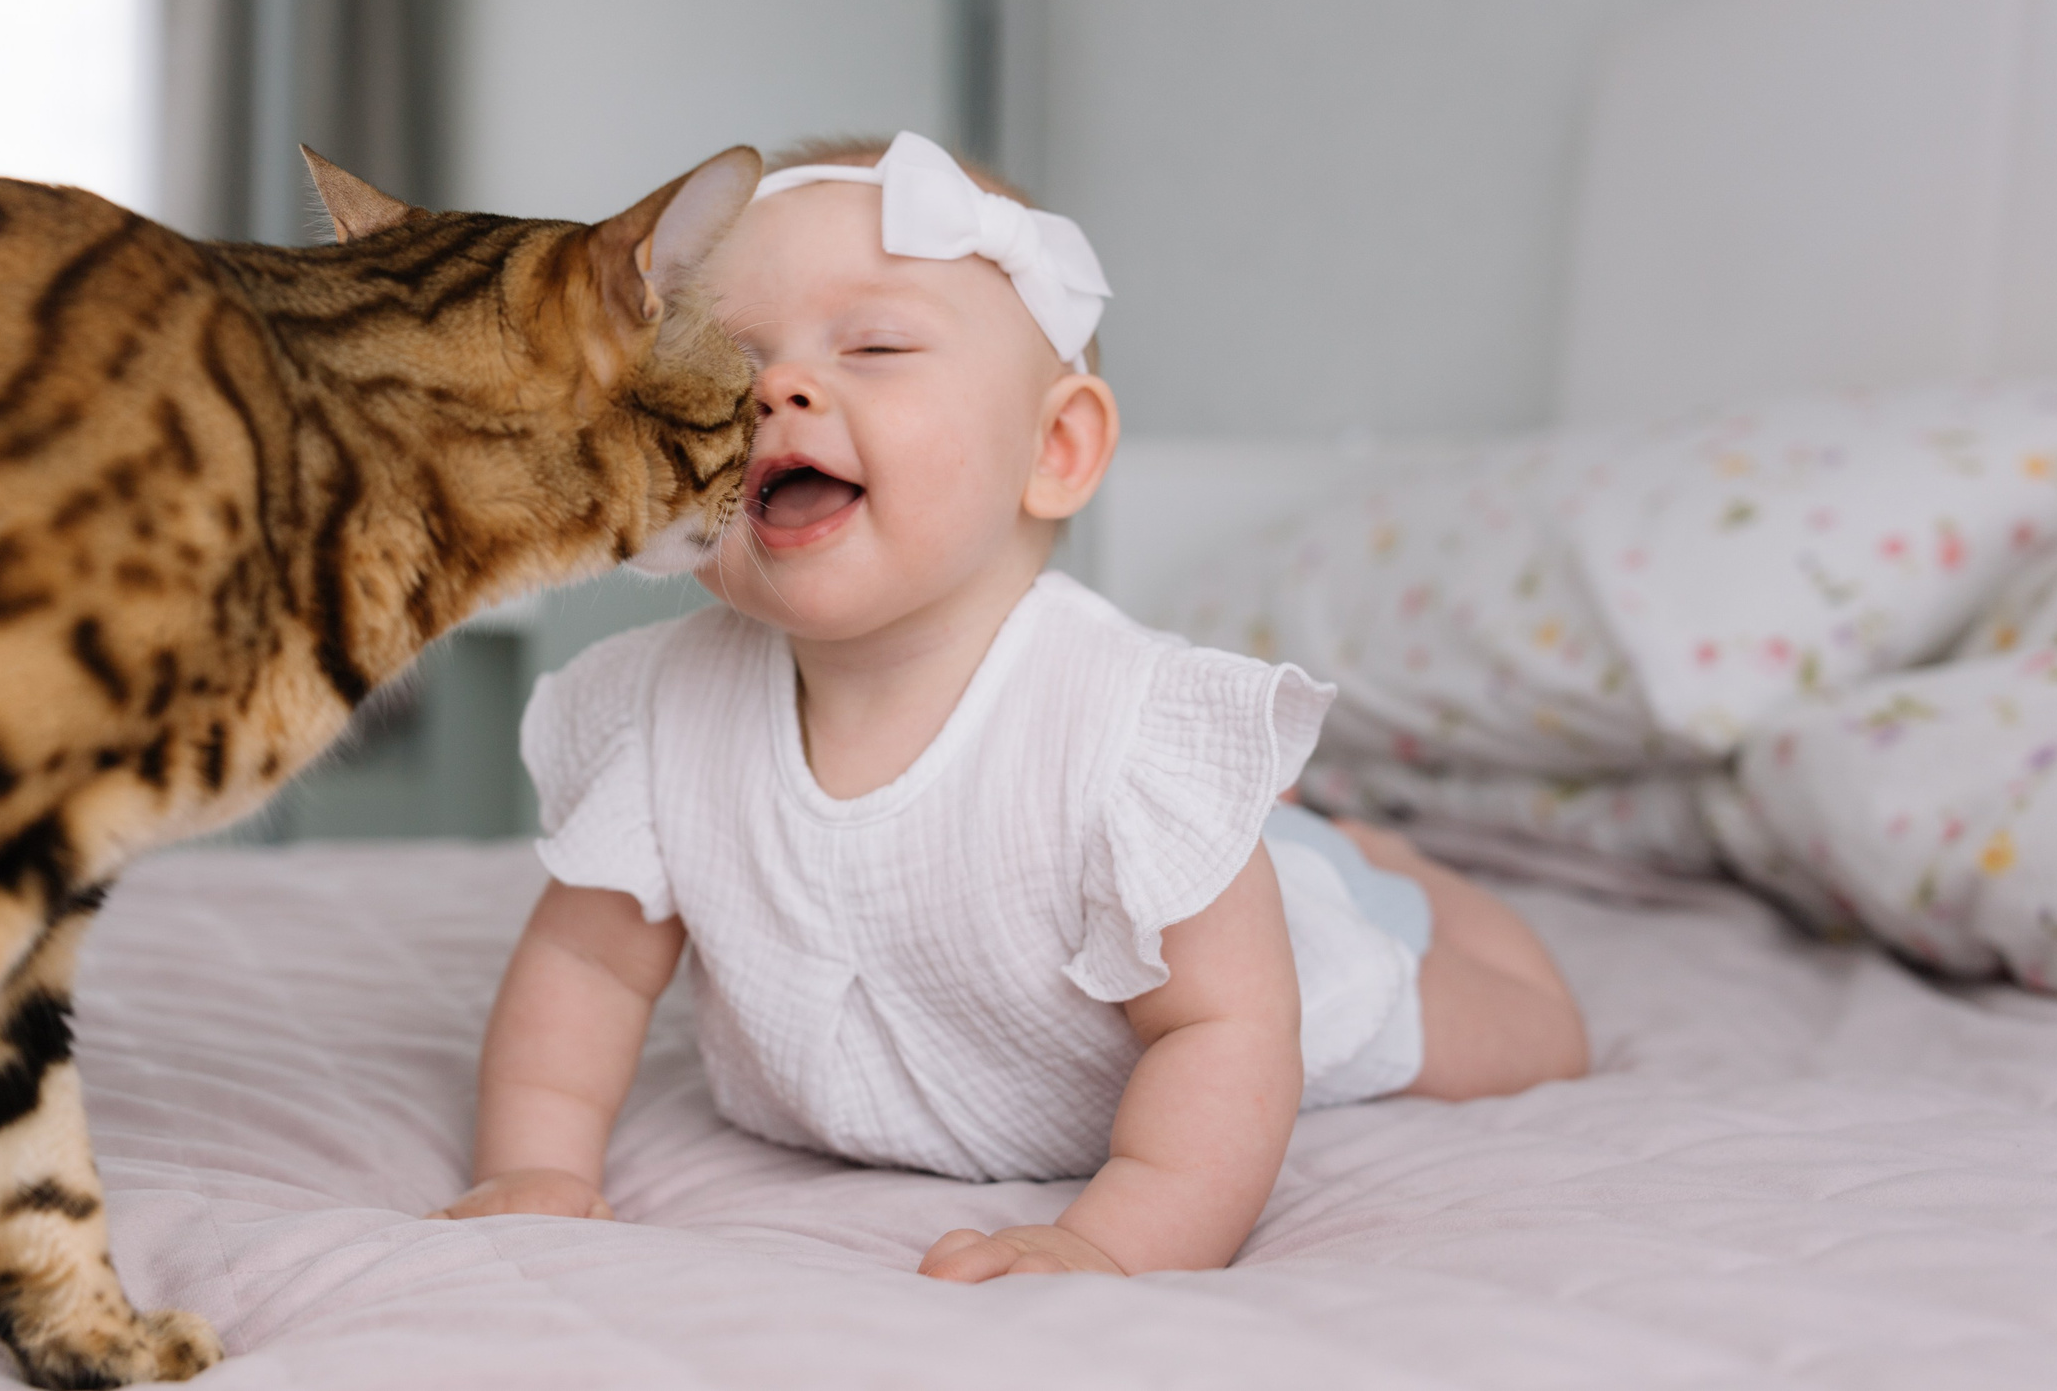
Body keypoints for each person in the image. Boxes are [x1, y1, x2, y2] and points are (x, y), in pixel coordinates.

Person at [432, 133, 1587, 1279]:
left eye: (875, 343)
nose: (776, 389)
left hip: (1272, 983)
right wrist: (534, 1164)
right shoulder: (660, 716)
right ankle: (1311, 842)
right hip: (878, 1095)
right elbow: (585, 971)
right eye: (724, 363)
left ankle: (1378, 866)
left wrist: (1113, 1243)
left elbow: (1221, 1033)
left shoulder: (1115, 725)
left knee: (1533, 1039)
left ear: (1057, 448)